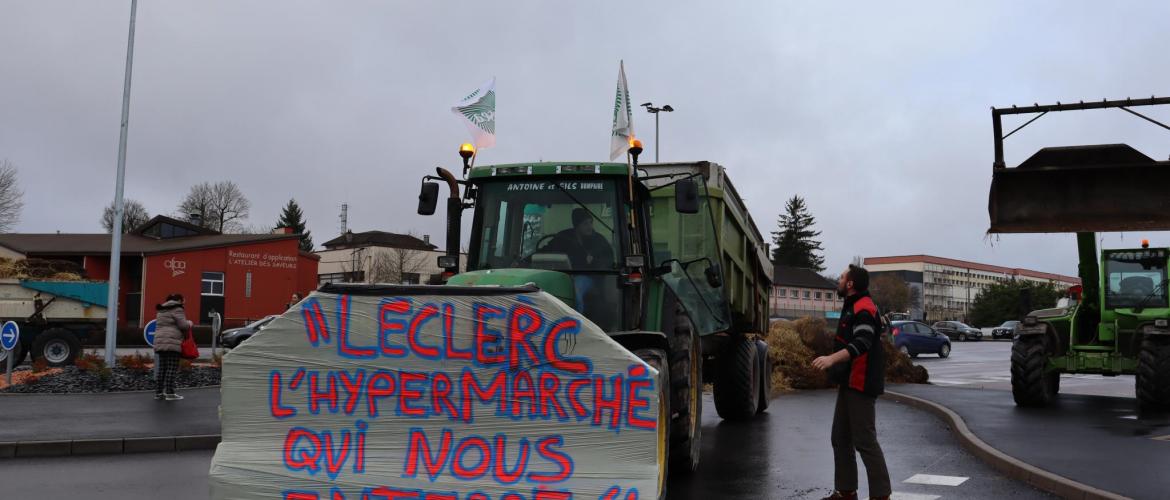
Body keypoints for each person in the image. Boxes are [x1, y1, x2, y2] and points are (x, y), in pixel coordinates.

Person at [811, 265, 891, 500]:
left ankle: (881, 496)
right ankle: (846, 492)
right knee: (840, 437)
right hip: (849, 382)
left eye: (842, 276)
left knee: (865, 441)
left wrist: (831, 360)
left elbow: (862, 342)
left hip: (862, 382)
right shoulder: (852, 306)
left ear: (850, 284)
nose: (838, 279)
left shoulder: (863, 307)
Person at [542, 208, 614, 314]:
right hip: (561, 276)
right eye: (585, 224)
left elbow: (608, 261)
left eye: (590, 223)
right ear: (577, 225)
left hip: (590, 277)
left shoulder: (599, 240)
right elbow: (545, 251)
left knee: (576, 287)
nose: (590, 227)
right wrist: (525, 260)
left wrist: (593, 261)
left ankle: (576, 321)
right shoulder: (563, 238)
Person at [153, 293, 193, 401]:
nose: (184, 302)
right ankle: (170, 393)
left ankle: (159, 393)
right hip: (172, 342)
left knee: (162, 369)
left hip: (160, 341)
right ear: (179, 300)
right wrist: (189, 323)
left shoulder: (161, 310)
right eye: (183, 300)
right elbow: (183, 325)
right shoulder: (177, 309)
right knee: (171, 368)